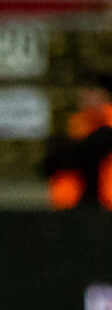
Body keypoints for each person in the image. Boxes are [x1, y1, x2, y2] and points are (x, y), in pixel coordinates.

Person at [41, 74, 112, 210]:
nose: (83, 96)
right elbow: (53, 161)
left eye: (90, 91)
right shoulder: (78, 123)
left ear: (104, 94)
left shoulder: (107, 125)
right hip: (75, 204)